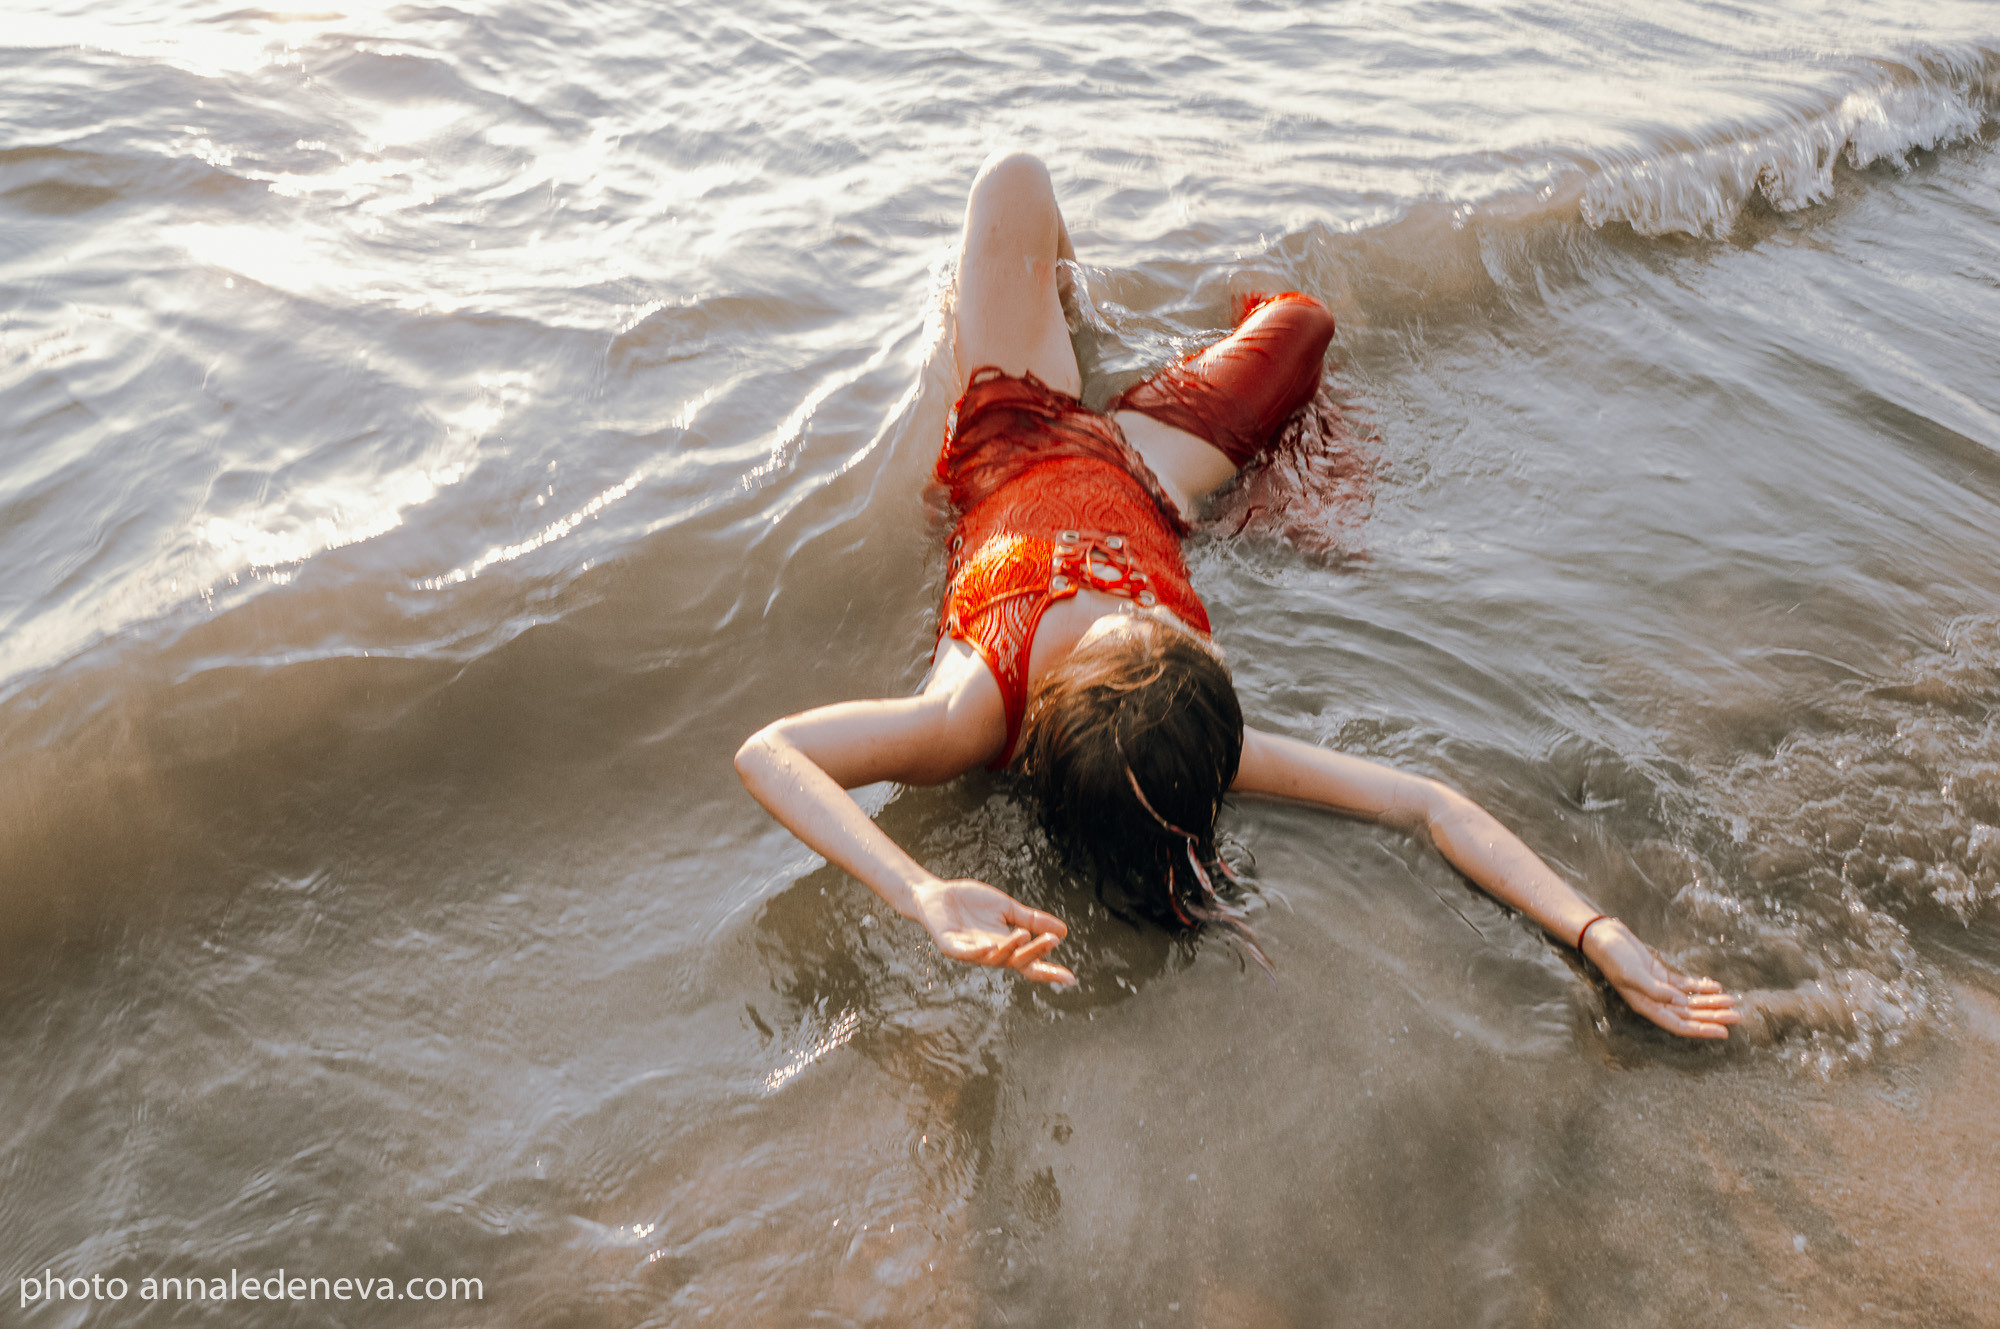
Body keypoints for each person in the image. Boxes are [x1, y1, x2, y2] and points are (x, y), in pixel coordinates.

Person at [736, 151, 1742, 1040]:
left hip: (1014, 437)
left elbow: (770, 754)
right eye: (1165, 633)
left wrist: (921, 894)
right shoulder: (1192, 740)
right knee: (1299, 324)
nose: (1143, 613)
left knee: (1012, 179)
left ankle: (1070, 317)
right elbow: (1423, 802)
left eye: (1153, 630)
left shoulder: (969, 713)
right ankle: (1084, 324)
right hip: (1151, 479)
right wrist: (1594, 930)